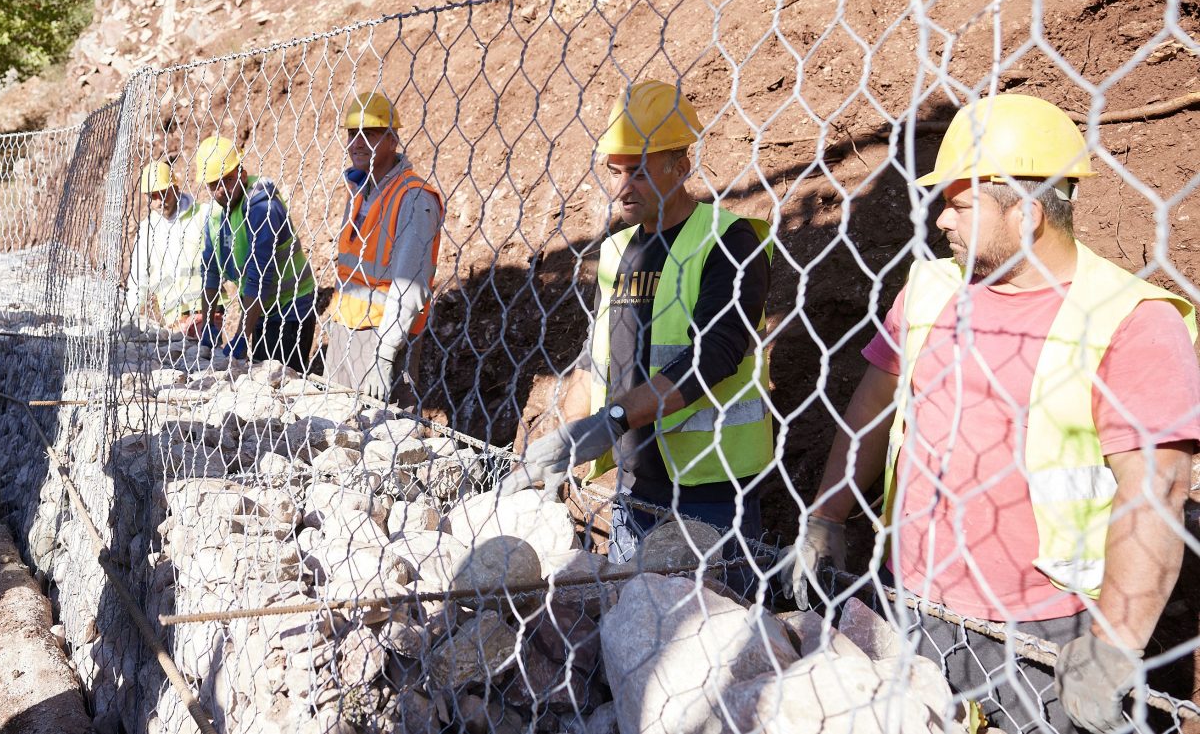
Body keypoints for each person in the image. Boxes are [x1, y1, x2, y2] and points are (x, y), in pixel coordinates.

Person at [783, 94, 1200, 734]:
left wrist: (1114, 643)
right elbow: (871, 409)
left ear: (1028, 214)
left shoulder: (1131, 322)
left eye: (960, 203)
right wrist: (827, 514)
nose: (941, 219)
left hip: (1045, 630)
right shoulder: (930, 290)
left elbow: (1159, 489)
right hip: (910, 601)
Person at [505, 81, 774, 564]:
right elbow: (594, 362)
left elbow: (714, 355)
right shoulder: (616, 250)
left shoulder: (729, 241)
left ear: (681, 168)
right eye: (615, 171)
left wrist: (611, 420)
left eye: (640, 174)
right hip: (634, 483)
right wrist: (563, 445)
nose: (622, 187)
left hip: (712, 488)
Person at [323, 92, 443, 402]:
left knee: (382, 436)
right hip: (344, 330)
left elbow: (411, 285)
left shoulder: (413, 199)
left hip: (383, 337)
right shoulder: (361, 190)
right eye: (352, 134)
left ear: (392, 140)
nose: (358, 143)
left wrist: (387, 351)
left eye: (370, 134)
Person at [194, 135, 317, 372]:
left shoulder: (262, 207)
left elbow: (258, 276)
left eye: (228, 180)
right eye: (214, 185)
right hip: (259, 309)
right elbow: (210, 272)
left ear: (242, 173)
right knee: (260, 373)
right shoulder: (215, 216)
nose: (222, 190)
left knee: (278, 381)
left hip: (290, 309)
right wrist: (207, 324)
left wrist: (241, 335)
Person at [124, 159, 216, 334]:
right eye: (153, 196)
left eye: (164, 193)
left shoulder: (203, 215)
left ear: (175, 188)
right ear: (146, 197)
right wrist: (129, 316)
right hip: (175, 319)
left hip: (208, 310)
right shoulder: (147, 231)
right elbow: (138, 279)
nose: (160, 201)